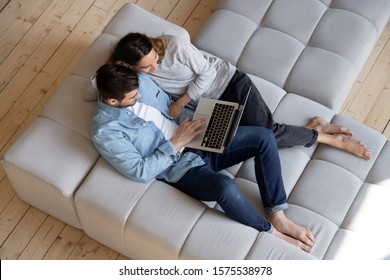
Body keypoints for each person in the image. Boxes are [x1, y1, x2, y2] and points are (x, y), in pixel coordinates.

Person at [91, 63, 315, 253]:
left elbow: (168, 103)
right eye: (132, 97)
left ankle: (277, 213)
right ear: (112, 101)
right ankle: (270, 231)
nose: (139, 95)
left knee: (264, 136)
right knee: (225, 187)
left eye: (137, 91)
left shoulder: (137, 80)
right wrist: (176, 142)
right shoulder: (106, 132)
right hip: (179, 167)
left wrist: (200, 118)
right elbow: (140, 171)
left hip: (197, 135)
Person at [110, 32, 372, 160]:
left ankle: (328, 138)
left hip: (231, 82)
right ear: (128, 65)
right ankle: (314, 128)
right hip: (210, 105)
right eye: (146, 67)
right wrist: (116, 69)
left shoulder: (175, 45)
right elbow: (95, 86)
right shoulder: (131, 74)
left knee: (266, 132)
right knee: (245, 140)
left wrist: (180, 102)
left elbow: (207, 74)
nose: (154, 69)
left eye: (155, 60)